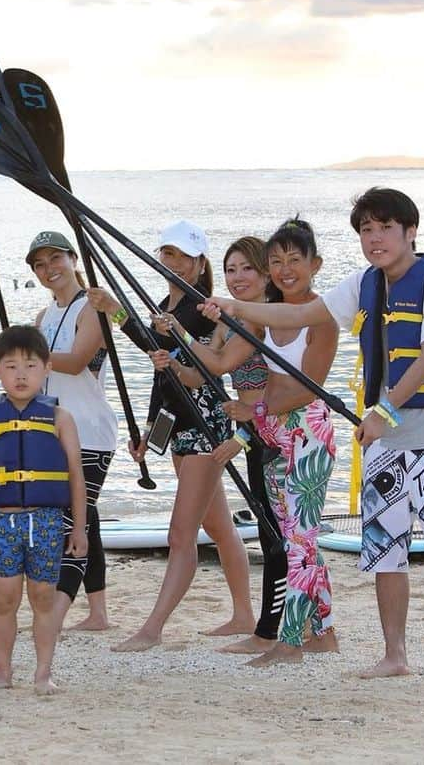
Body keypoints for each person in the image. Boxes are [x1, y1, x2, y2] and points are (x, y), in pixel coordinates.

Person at [202, 189, 424, 677]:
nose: (375, 238)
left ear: (411, 231)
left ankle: (302, 639)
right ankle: (394, 656)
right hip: (383, 439)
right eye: (366, 230)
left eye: (385, 228)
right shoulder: (364, 283)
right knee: (387, 550)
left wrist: (384, 409)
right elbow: (298, 314)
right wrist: (235, 306)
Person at [89, 220, 256, 652]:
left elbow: (203, 371)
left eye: (180, 255)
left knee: (180, 536)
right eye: (166, 253)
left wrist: (118, 311)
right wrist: (147, 430)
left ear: (199, 263)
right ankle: (243, 615)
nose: (171, 262)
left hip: (205, 428)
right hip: (178, 426)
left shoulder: (203, 308)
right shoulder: (163, 303)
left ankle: (153, 628)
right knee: (219, 526)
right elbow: (158, 362)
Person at [200, 218, 340, 668]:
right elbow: (238, 357)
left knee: (298, 542)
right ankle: (326, 632)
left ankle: (290, 642)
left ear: (314, 264)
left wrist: (254, 412)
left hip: (309, 435)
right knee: (302, 542)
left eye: (294, 260)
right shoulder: (273, 313)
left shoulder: (322, 316)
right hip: (274, 435)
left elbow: (308, 387)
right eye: (276, 261)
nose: (284, 269)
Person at [151, 236, 288, 654]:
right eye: (232, 270)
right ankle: (261, 624)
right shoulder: (230, 320)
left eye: (248, 269)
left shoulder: (260, 320)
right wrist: (172, 361)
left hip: (274, 431)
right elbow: (202, 375)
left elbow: (228, 365)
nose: (239, 277)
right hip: (252, 432)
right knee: (264, 531)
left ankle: (269, 632)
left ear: (265, 274)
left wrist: (179, 333)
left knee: (277, 534)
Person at [0, 325, 87, 694]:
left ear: (47, 368)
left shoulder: (61, 419)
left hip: (46, 521)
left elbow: (76, 476)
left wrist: (79, 529)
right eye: (11, 366)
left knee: (43, 598)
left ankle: (43, 673)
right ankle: (3, 672)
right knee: (5, 598)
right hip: (2, 521)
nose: (20, 374)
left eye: (30, 366)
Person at [27, 231, 118, 631]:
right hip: (52, 431)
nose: (49, 269)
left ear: (73, 259)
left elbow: (79, 360)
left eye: (55, 259)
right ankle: (98, 614)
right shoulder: (42, 317)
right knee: (87, 519)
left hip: (90, 431)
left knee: (72, 522)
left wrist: (25, 355)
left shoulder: (92, 308)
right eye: (40, 264)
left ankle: (53, 617)